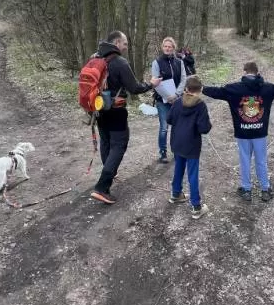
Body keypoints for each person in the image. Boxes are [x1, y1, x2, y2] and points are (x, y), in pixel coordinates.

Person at [202, 61, 274, 202]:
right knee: (261, 161)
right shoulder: (268, 88)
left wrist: (200, 88)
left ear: (244, 72)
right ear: (257, 72)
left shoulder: (233, 89)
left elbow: (216, 92)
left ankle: (246, 189)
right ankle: (265, 189)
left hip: (242, 133)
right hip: (260, 133)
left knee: (244, 160)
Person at [90, 31, 162, 205]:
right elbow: (134, 88)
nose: (126, 47)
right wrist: (152, 84)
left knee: (106, 142)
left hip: (98, 110)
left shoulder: (94, 58)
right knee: (119, 145)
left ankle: (109, 172)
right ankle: (102, 187)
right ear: (116, 42)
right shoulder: (120, 62)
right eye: (125, 44)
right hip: (116, 111)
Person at [166, 75, 211, 219]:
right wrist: (208, 125)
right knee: (192, 174)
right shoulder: (200, 105)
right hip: (191, 145)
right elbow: (204, 128)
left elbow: (169, 119)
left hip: (177, 142)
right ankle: (196, 206)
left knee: (178, 168)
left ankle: (175, 194)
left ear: (186, 88)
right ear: (200, 90)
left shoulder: (178, 102)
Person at [151, 37, 187, 163]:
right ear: (162, 47)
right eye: (165, 46)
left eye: (170, 46)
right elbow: (155, 82)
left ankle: (177, 151)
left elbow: (183, 79)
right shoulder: (156, 62)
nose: (167, 48)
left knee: (178, 126)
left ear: (173, 48)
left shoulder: (179, 62)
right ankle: (163, 153)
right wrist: (168, 97)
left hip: (178, 99)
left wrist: (176, 95)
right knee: (164, 127)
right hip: (162, 100)